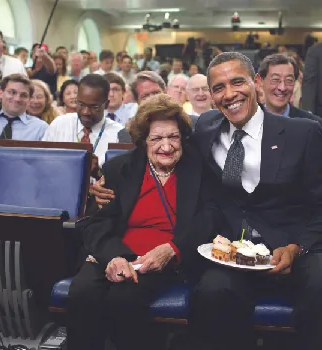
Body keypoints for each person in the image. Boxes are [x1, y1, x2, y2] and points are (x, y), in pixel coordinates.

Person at [92, 51, 322, 350]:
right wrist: (109, 182)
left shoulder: (303, 132)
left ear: (256, 83)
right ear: (211, 96)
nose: (229, 94)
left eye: (237, 82)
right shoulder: (205, 128)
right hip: (229, 250)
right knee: (212, 291)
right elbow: (153, 142)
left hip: (295, 245)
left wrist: (297, 247)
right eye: (218, 88)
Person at [67, 93, 221, 350]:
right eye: (157, 138)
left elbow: (210, 218)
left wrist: (172, 249)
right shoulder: (119, 169)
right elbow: (97, 223)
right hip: (115, 252)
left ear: (182, 137)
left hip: (165, 256)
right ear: (143, 141)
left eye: (173, 137)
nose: (167, 146)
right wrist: (115, 257)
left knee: (124, 297)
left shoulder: (199, 169)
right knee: (83, 294)